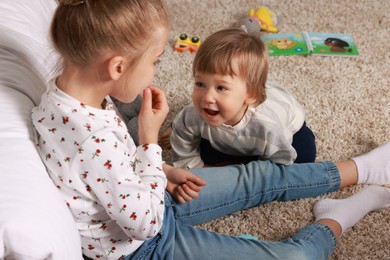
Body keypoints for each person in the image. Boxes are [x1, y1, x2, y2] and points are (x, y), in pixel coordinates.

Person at [31, 0, 390, 259]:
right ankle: (339, 216)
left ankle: (364, 168)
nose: (155, 71)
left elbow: (110, 172)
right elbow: (145, 224)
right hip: (143, 244)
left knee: (261, 175)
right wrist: (150, 144)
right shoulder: (92, 141)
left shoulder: (66, 93)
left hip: (145, 193)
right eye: (155, 61)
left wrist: (166, 171)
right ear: (117, 66)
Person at [161, 28, 316, 169]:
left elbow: (280, 161)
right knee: (196, 145)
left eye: (221, 88)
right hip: (231, 135)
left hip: (287, 126)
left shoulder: (269, 126)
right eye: (200, 84)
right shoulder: (193, 114)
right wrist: (195, 170)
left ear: (251, 95)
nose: (207, 97)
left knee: (303, 157)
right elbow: (184, 153)